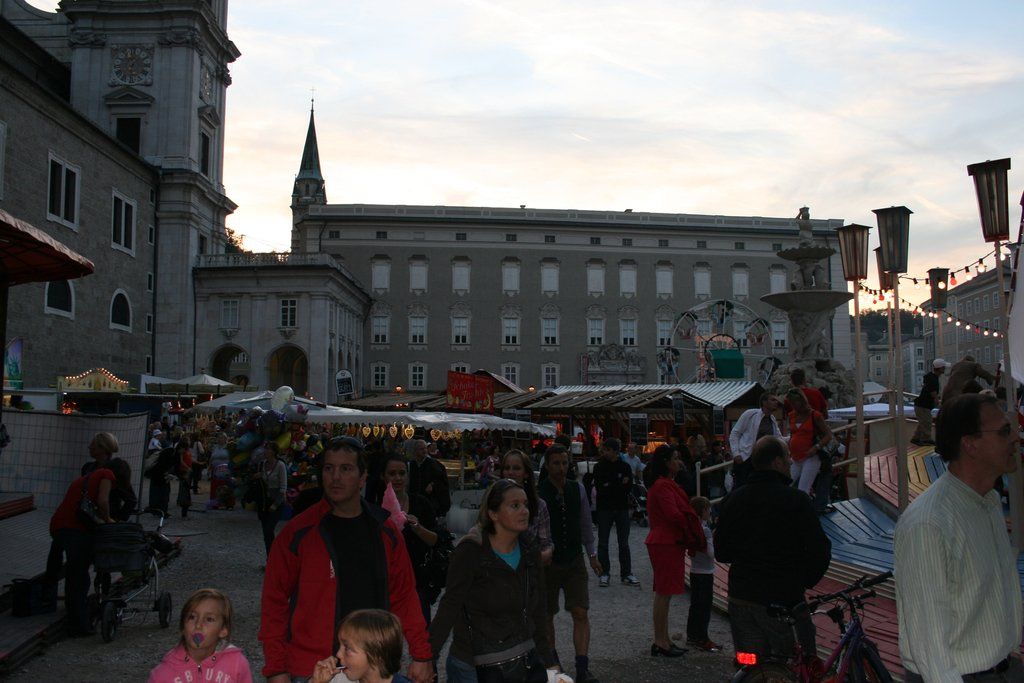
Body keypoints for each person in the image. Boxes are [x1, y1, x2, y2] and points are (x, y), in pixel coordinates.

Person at [260, 436, 433, 683]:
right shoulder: (299, 532)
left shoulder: (385, 530)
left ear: (363, 478)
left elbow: (404, 595)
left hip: (372, 668)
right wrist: (276, 668)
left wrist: (421, 654)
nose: (335, 477)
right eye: (329, 468)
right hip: (313, 668)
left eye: (346, 469)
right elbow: (273, 601)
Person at [894, 393, 1023, 682]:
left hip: (1002, 667)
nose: (1016, 437)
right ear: (970, 444)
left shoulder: (988, 502)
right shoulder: (928, 524)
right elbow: (929, 645)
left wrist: (1009, 652)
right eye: (1005, 431)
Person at [714, 436, 831, 662]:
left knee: (750, 664)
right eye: (787, 458)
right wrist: (802, 581)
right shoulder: (797, 500)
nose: (790, 462)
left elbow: (721, 551)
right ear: (777, 462)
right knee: (796, 664)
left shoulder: (733, 500)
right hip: (784, 599)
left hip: (742, 596)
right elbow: (820, 549)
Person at [430, 479, 555, 683]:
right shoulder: (470, 551)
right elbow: (450, 605)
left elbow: (539, 611)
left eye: (525, 505)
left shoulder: (530, 551)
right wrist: (426, 658)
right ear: (493, 514)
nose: (524, 511)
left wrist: (549, 661)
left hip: (522, 658)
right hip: (473, 665)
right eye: (515, 505)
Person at [537, 445, 601, 683]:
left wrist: (592, 554)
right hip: (548, 562)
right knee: (546, 615)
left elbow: (585, 522)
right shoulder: (539, 493)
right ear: (547, 465)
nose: (561, 468)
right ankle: (553, 667)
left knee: (580, 611)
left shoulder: (578, 489)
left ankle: (582, 667)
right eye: (556, 463)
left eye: (564, 463)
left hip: (574, 558)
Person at [45, 458, 131, 636]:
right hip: (74, 529)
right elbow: (103, 501)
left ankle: (65, 612)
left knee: (73, 573)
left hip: (59, 526)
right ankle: (79, 625)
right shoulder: (107, 475)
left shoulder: (88, 477)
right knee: (78, 577)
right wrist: (108, 521)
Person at [643, 445, 705, 658]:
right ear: (667, 462)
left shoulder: (663, 485)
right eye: (675, 458)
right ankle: (661, 640)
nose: (679, 462)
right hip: (666, 541)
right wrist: (690, 524)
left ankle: (663, 638)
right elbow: (673, 514)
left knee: (664, 593)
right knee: (664, 593)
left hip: (666, 540)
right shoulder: (663, 486)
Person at [148, 588, 253, 683]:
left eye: (209, 619)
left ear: (223, 630)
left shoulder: (237, 665)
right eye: (192, 617)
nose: (198, 625)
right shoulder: (162, 674)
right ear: (183, 626)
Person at [381, 454, 439, 623]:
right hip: (386, 582)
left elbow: (435, 540)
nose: (397, 478)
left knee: (420, 629)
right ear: (383, 477)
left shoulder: (421, 503)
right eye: (392, 474)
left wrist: (418, 528)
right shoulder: (374, 508)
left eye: (402, 473)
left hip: (417, 581)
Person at [313, 610, 414, 683]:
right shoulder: (337, 679)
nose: (338, 654)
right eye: (340, 645)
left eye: (347, 648)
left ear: (376, 655)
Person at [593, 437, 639, 588]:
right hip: (605, 508)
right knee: (603, 542)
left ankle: (626, 573)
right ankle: (604, 573)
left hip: (621, 508)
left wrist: (610, 484)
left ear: (614, 451)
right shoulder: (599, 467)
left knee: (623, 543)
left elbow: (627, 487)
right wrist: (618, 483)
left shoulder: (624, 467)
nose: (604, 452)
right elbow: (601, 488)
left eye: (606, 450)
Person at [501, 449, 554, 564]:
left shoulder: (539, 505)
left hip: (528, 568)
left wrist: (543, 556)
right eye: (507, 468)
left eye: (516, 468)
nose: (510, 472)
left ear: (526, 473)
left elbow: (546, 543)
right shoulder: (494, 501)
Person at [686, 496, 720, 652]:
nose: (710, 511)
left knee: (695, 606)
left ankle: (692, 636)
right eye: (708, 509)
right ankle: (703, 638)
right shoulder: (705, 530)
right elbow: (711, 554)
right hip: (706, 573)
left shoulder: (692, 528)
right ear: (703, 510)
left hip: (694, 571)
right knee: (705, 607)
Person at [728, 394, 782, 489]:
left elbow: (778, 438)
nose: (776, 402)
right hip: (747, 458)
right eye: (773, 400)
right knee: (742, 487)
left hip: (763, 460)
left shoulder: (772, 419)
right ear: (764, 402)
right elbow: (735, 433)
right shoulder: (750, 414)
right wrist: (736, 453)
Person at [785, 389, 832, 495]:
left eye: (794, 402)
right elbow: (793, 435)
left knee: (803, 489)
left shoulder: (815, 415)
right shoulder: (791, 416)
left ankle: (804, 504)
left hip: (811, 457)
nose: (793, 405)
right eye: (791, 403)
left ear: (802, 401)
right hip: (795, 457)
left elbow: (828, 435)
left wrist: (816, 447)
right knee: (786, 484)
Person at [257, 441, 289, 555]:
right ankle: (270, 557)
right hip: (264, 502)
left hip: (277, 502)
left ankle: (275, 554)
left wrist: (276, 504)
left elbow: (283, 487)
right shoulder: (262, 465)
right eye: (265, 449)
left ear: (274, 452)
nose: (266, 451)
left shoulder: (280, 465)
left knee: (269, 529)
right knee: (266, 533)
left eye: (268, 449)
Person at [406, 438, 451, 518]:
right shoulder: (411, 465)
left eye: (425, 448)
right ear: (415, 451)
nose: (424, 451)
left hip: (429, 502)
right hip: (414, 501)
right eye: (421, 449)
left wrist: (432, 484)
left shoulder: (433, 463)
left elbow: (441, 479)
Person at [912, 358, 948, 446]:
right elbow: (933, 392)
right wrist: (937, 401)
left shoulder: (931, 377)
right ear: (940, 368)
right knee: (927, 421)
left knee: (923, 422)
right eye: (944, 367)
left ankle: (916, 438)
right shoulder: (933, 379)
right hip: (923, 405)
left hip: (921, 405)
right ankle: (926, 439)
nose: (945, 369)